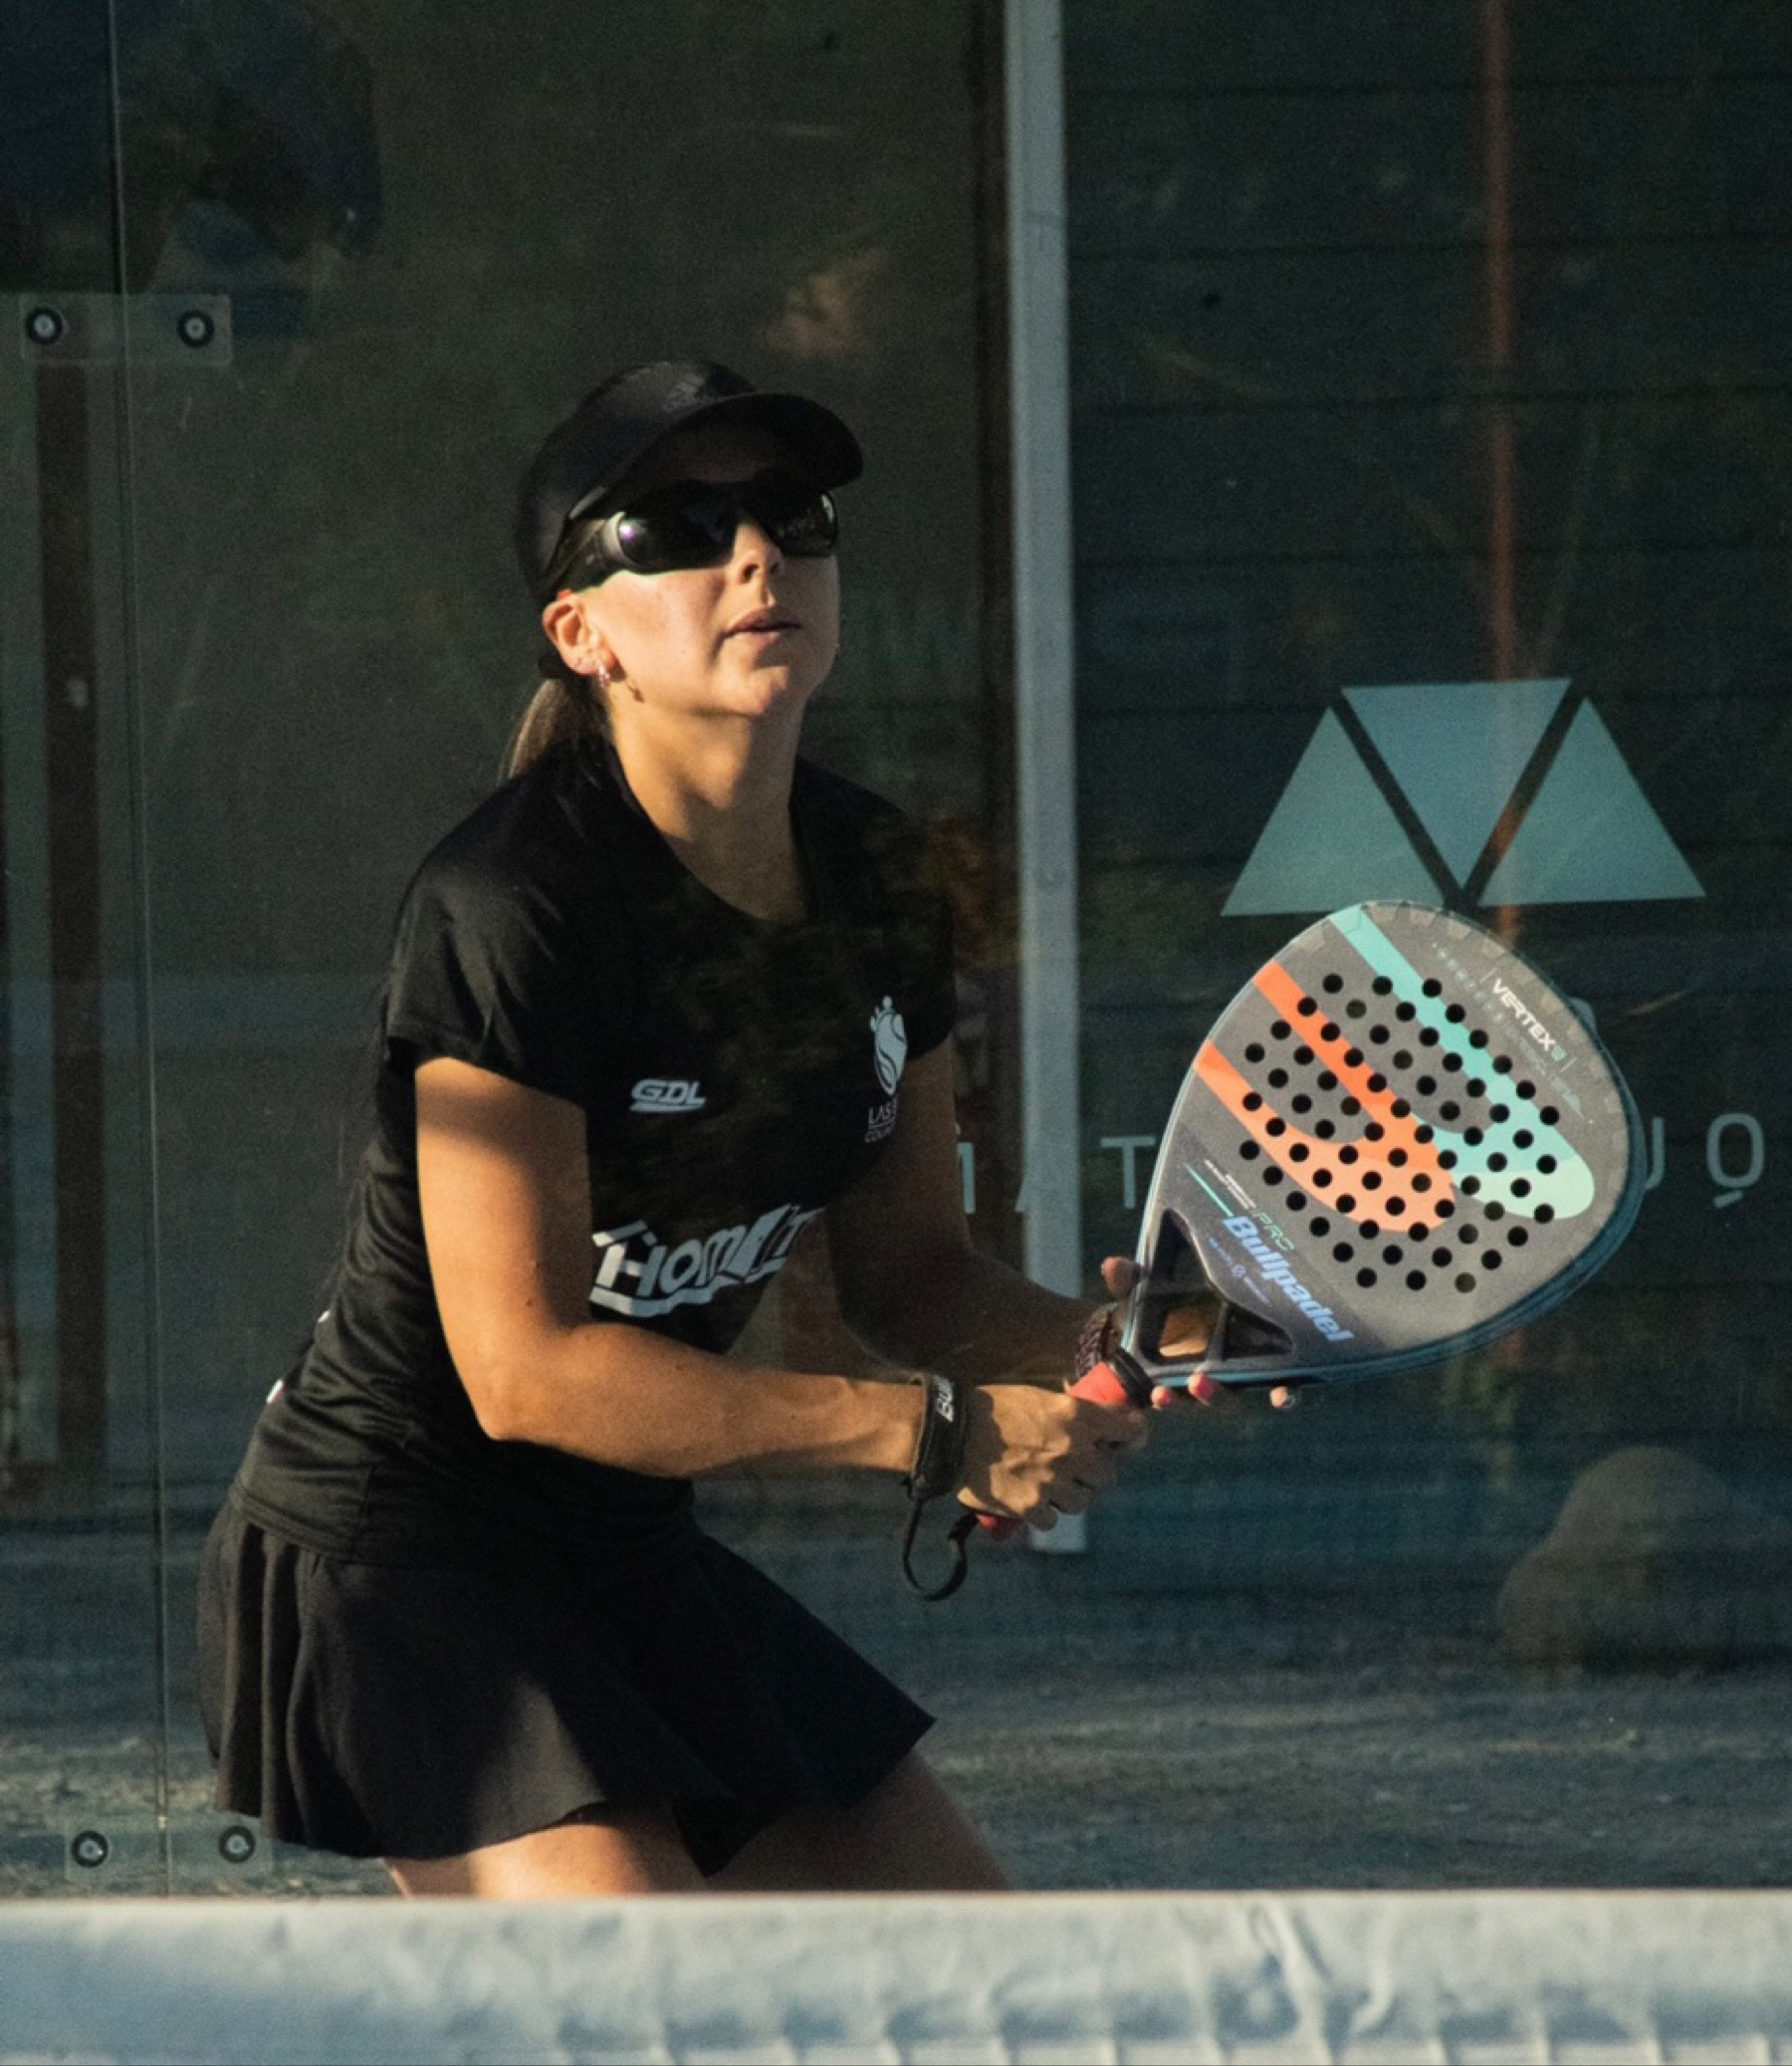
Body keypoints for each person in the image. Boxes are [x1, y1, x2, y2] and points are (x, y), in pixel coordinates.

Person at [196, 360, 1227, 1900]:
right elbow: (526, 1369)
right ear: (583, 634)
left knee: (989, 1986)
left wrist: (1113, 1337)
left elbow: (910, 1276)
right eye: (678, 527)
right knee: (663, 2008)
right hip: (401, 1560)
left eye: (791, 517)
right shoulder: (513, 906)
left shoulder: (881, 875)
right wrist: (935, 1435)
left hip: (625, 1553)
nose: (757, 555)